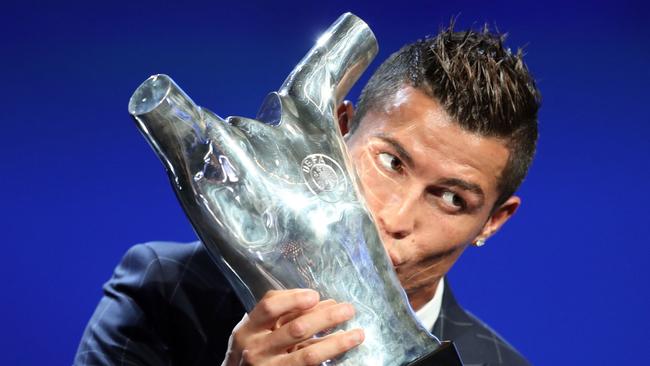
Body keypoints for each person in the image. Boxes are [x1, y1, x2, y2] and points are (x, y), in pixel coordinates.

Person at [75, 24, 539, 366]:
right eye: (391, 163)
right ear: (336, 131)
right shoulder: (164, 292)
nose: (394, 217)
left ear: (493, 222)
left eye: (452, 199)